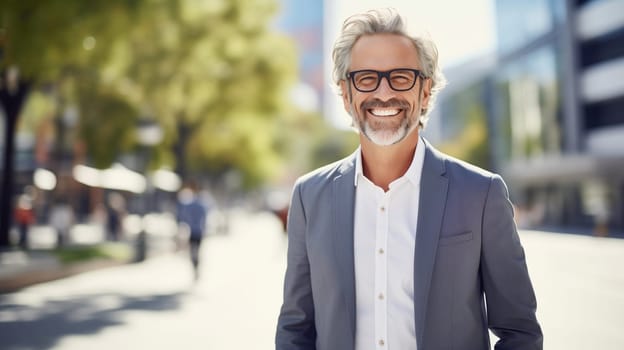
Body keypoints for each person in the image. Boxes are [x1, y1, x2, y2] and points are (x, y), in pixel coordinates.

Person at [276, 8, 542, 350]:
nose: (384, 93)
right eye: (366, 78)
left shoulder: (481, 194)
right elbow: (295, 327)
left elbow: (520, 332)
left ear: (425, 89)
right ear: (345, 94)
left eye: (400, 77)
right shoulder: (309, 196)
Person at [176, 184, 209, 280]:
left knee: (192, 251)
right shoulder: (202, 205)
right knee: (196, 251)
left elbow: (184, 216)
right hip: (198, 232)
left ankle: (195, 266)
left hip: (193, 231)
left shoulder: (191, 204)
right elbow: (204, 218)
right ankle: (196, 266)